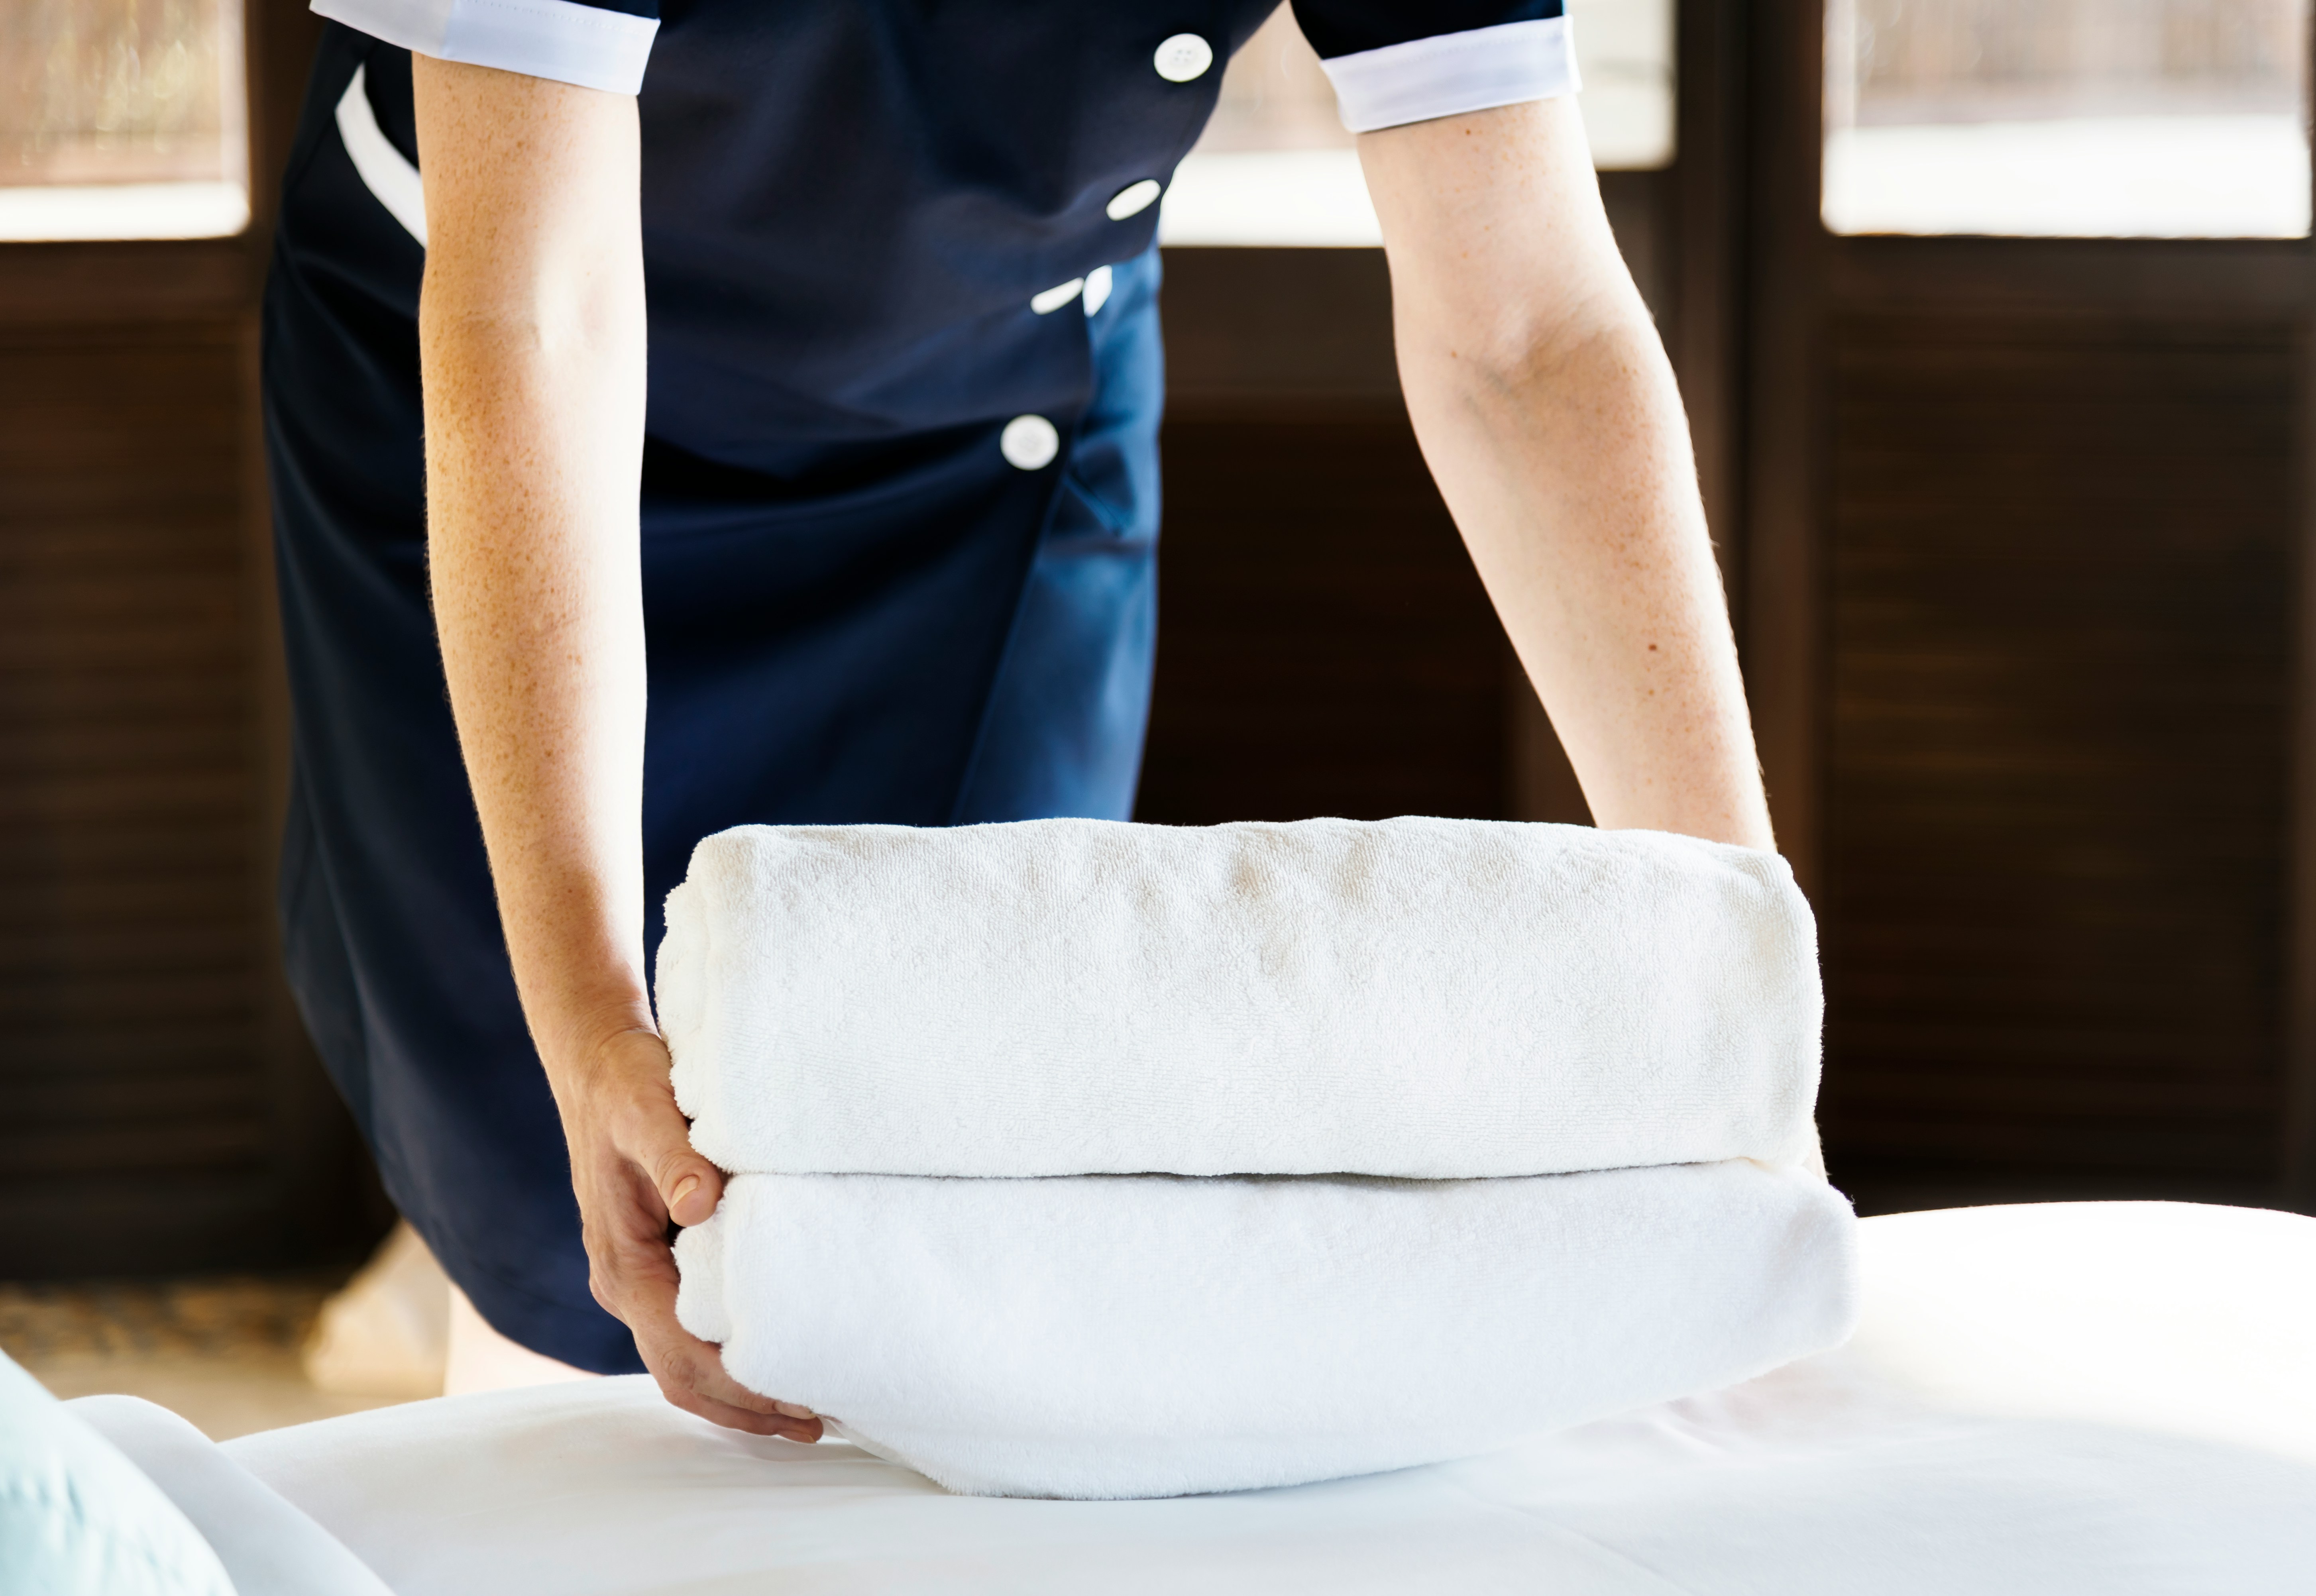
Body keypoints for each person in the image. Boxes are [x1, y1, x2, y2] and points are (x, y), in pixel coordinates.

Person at [264, 0, 1774, 1443]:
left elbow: (1526, 333)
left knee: (976, 1132)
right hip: (502, 352)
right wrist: (590, 1011)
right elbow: (538, 313)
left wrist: (1738, 994)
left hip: (993, 409)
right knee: (561, 1202)